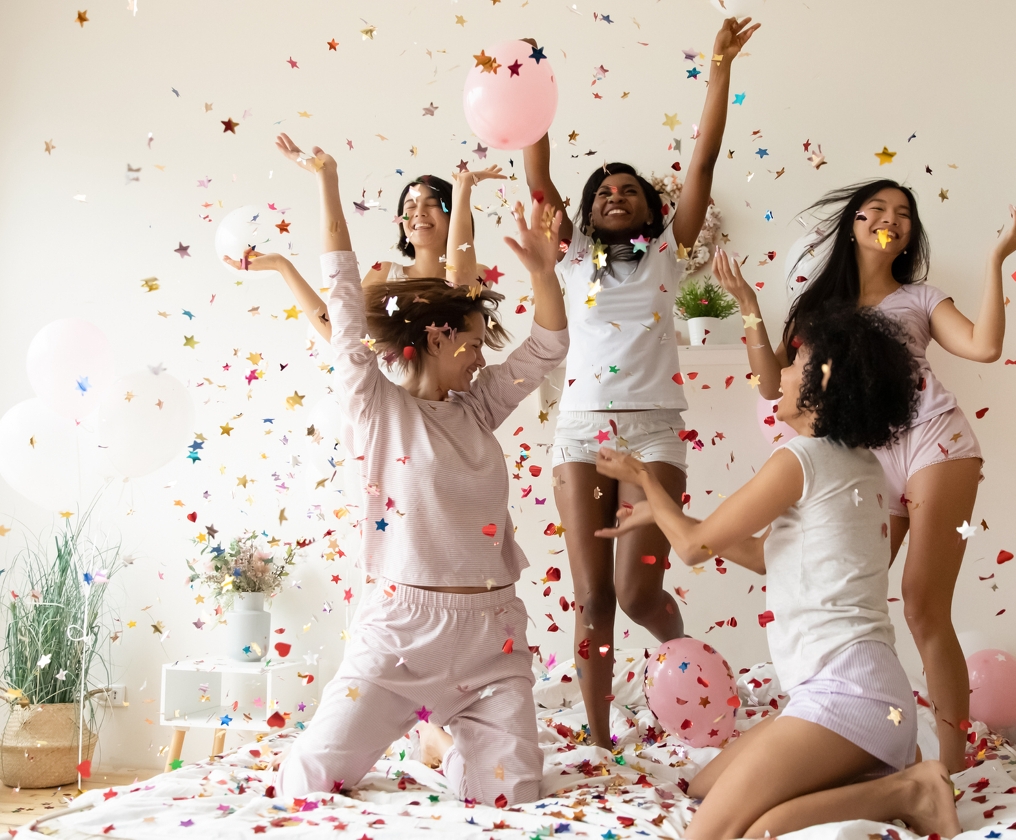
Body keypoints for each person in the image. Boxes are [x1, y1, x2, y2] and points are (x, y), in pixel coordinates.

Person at [270, 132, 569, 807]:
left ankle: (446, 740)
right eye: (472, 340)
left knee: (510, 799)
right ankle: (427, 729)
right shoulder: (376, 407)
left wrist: (544, 273)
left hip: (493, 639)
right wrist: (327, 179)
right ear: (436, 336)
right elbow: (345, 299)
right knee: (308, 784)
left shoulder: (478, 404)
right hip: (401, 634)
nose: (480, 353)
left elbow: (548, 345)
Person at [593, 307, 960, 840]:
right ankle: (876, 770)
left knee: (719, 832)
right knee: (703, 789)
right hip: (865, 697)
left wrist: (647, 480)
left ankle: (909, 789)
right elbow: (767, 555)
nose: (781, 376)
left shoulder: (802, 458)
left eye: (795, 364)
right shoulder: (859, 463)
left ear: (824, 381)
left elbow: (694, 549)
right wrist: (669, 514)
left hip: (850, 697)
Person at [713, 180, 1016, 772]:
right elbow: (768, 385)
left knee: (922, 606)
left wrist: (996, 258)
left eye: (904, 214)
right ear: (853, 223)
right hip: (863, 455)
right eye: (878, 209)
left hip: (936, 439)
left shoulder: (922, 298)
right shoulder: (815, 311)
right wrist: (751, 309)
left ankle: (951, 769)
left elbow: (984, 347)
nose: (891, 219)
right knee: (850, 586)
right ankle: (858, 728)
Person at [520, 15, 758, 751]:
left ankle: (680, 681)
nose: (615, 195)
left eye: (628, 190)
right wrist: (527, 92)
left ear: (650, 210)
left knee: (637, 594)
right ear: (587, 214)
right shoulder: (568, 260)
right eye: (603, 193)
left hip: (653, 430)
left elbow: (705, 163)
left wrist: (718, 69)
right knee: (591, 599)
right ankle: (596, 737)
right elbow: (537, 177)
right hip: (581, 433)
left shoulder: (665, 256)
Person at [223, 166, 506, 339]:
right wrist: (283, 267)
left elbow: (457, 286)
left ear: (454, 214)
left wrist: (463, 191)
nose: (418, 212)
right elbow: (340, 330)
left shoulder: (478, 274)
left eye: (431, 204)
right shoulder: (384, 273)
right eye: (409, 208)